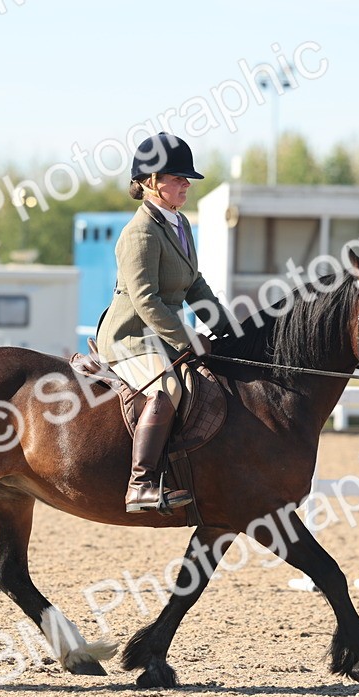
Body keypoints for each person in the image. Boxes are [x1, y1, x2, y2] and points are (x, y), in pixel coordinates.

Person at [95, 132, 233, 513]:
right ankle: (140, 484)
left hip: (163, 335)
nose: (186, 183)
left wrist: (228, 327)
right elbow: (145, 300)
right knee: (166, 389)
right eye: (178, 177)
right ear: (152, 182)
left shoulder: (180, 224)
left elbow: (194, 284)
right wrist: (188, 338)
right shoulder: (139, 233)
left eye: (185, 178)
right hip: (131, 337)